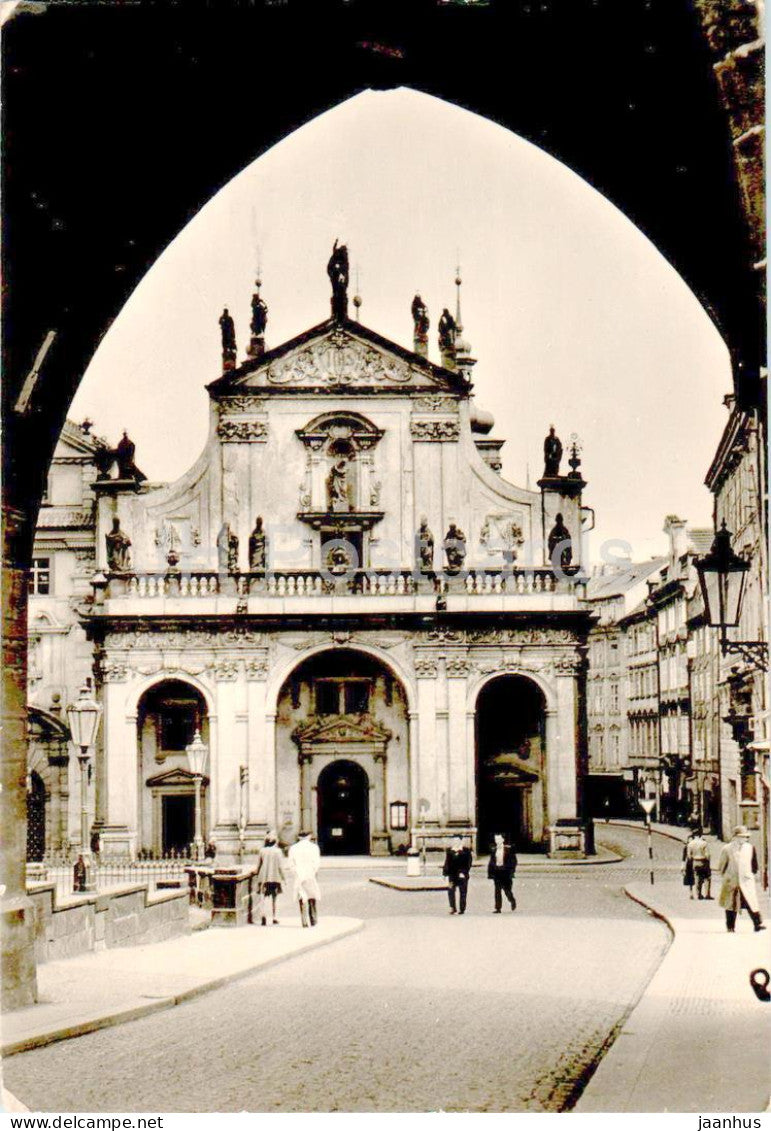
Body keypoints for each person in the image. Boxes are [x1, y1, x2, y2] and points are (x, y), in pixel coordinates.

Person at [718, 825, 766, 933]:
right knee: (731, 904)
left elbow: (754, 865)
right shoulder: (727, 849)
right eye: (742, 836)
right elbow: (722, 866)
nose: (744, 839)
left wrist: (750, 875)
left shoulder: (750, 848)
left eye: (745, 837)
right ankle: (730, 927)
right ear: (735, 837)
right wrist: (727, 876)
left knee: (751, 902)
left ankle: (757, 924)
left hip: (746, 880)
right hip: (732, 881)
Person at [288, 831, 321, 928]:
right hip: (310, 874)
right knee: (312, 896)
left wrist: (296, 873)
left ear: (299, 837)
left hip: (299, 875)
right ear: (309, 836)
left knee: (302, 898)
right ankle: (313, 920)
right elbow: (317, 862)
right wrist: (314, 871)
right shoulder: (314, 847)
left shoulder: (293, 848)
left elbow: (291, 864)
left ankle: (304, 921)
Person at [255, 832, 286, 926]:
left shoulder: (262, 851)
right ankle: (274, 917)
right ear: (275, 842)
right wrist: (284, 878)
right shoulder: (278, 851)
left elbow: (259, 866)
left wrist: (256, 874)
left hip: (264, 877)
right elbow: (280, 867)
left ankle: (263, 915)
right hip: (275, 877)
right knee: (274, 898)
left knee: (262, 897)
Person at [443, 835, 472, 915]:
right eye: (454, 841)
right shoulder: (450, 851)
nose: (455, 842)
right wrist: (445, 873)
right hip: (452, 875)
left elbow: (468, 863)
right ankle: (453, 907)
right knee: (450, 891)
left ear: (461, 841)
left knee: (463, 892)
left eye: (457, 840)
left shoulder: (466, 851)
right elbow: (447, 863)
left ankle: (462, 908)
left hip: (462, 875)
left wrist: (463, 873)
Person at [488, 833, 517, 913]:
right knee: (497, 890)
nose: (497, 841)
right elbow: (491, 861)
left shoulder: (509, 849)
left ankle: (512, 900)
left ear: (503, 840)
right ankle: (498, 908)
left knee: (507, 890)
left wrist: (511, 871)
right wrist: (491, 873)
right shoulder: (494, 849)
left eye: (499, 839)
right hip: (497, 871)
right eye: (496, 839)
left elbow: (513, 861)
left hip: (505, 872)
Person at [686, 826, 712, 900]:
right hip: (703, 861)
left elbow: (689, 856)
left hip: (695, 862)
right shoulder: (704, 843)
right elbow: (707, 855)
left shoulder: (690, 844)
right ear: (700, 834)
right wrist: (708, 862)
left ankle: (699, 894)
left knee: (697, 878)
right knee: (707, 878)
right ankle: (707, 894)